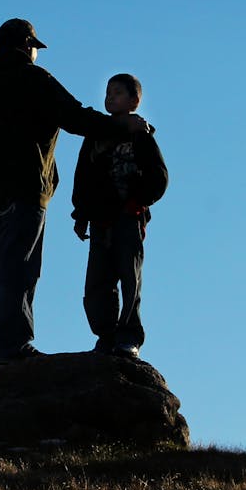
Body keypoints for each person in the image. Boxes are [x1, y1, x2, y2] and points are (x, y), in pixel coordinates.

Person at [0, 18, 149, 368]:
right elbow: (76, 117)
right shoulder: (33, 79)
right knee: (18, 270)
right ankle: (15, 348)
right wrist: (122, 124)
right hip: (23, 188)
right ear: (27, 46)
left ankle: (0, 352)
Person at [70, 73, 168, 359]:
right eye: (108, 93)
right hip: (101, 219)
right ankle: (106, 335)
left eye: (117, 93)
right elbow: (83, 177)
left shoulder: (141, 135)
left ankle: (128, 337)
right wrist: (81, 214)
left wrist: (138, 201)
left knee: (129, 278)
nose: (110, 97)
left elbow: (159, 177)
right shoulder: (95, 136)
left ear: (134, 100)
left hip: (129, 217)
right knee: (98, 281)